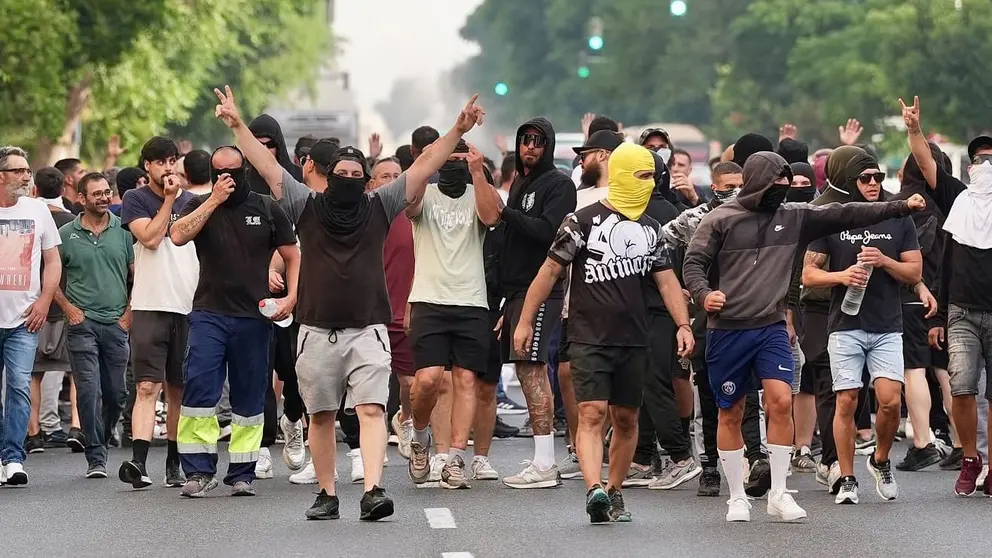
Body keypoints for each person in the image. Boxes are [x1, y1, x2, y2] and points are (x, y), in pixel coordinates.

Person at [215, 85, 484, 519]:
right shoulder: (306, 205)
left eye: (356, 174)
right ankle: (327, 493)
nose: (349, 179)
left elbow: (425, 165)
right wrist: (236, 123)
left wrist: (457, 128)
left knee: (372, 409)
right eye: (341, 173)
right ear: (328, 176)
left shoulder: (380, 204)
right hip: (316, 330)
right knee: (320, 416)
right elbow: (267, 165)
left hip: (367, 329)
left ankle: (374, 490)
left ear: (364, 180)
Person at [683, 150, 927, 522]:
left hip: (771, 326)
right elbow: (693, 263)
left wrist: (901, 208)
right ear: (755, 183)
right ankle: (737, 496)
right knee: (730, 411)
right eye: (774, 186)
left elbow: (847, 213)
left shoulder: (795, 217)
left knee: (780, 401)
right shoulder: (720, 219)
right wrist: (704, 295)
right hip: (727, 329)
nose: (780, 193)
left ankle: (779, 493)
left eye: (785, 186)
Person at [513, 142, 693, 523]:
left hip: (634, 339)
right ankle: (594, 488)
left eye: (652, 177)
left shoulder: (650, 229)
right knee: (592, 412)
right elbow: (548, 272)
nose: (647, 183)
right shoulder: (580, 222)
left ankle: (614, 491)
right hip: (587, 336)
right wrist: (525, 320)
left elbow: (667, 283)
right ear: (624, 174)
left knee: (627, 419)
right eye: (641, 175)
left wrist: (683, 324)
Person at [169, 142, 300, 499]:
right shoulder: (199, 204)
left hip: (254, 317)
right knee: (199, 388)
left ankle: (242, 472)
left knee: (249, 395)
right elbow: (178, 235)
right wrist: (214, 200)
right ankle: (198, 470)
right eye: (219, 172)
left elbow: (292, 252)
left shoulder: (266, 207)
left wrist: (291, 295)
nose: (227, 178)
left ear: (245, 172)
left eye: (233, 172)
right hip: (209, 313)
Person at [802, 148, 932, 505]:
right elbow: (808, 274)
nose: (873, 184)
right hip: (845, 323)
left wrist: (885, 260)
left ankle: (880, 460)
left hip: (887, 323)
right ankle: (846, 477)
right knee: (847, 399)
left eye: (878, 177)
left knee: (890, 402)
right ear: (849, 181)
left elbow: (915, 272)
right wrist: (842, 275)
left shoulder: (897, 215)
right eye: (865, 178)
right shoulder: (833, 216)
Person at [898, 96, 992, 496]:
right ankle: (971, 458)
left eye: (991, 158)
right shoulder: (959, 199)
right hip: (961, 314)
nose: (985, 165)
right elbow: (925, 165)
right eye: (979, 160)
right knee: (963, 387)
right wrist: (914, 130)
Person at [407, 141, 502, 490]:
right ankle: (420, 437)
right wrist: (428, 162)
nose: (453, 165)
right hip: (430, 300)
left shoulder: (479, 190)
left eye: (458, 159)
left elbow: (492, 217)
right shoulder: (426, 195)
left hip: (471, 301)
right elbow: (408, 202)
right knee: (429, 380)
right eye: (447, 159)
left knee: (466, 380)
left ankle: (456, 459)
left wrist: (477, 171)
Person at [499, 117, 577, 488]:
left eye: (537, 141)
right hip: (515, 290)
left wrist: (506, 214)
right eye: (525, 140)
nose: (530, 147)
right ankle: (543, 459)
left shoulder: (559, 183)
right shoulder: (520, 181)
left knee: (533, 368)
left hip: (543, 288)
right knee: (523, 368)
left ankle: (545, 463)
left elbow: (548, 232)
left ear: (548, 146)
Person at [118, 136, 199, 489]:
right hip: (150, 304)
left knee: (178, 388)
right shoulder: (136, 199)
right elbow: (150, 239)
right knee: (147, 385)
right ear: (147, 166)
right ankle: (138, 461)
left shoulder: (195, 202)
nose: (168, 167)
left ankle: (174, 460)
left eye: (172, 160)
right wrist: (167, 201)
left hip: (187, 304)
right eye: (160, 161)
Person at [554, 129, 625, 479]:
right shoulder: (576, 198)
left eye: (588, 154)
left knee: (614, 388)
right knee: (568, 374)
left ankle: (608, 439)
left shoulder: (628, 197)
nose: (581, 161)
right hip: (575, 303)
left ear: (606, 155)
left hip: (621, 306)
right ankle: (576, 443)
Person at [54, 172, 133, 480]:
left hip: (116, 323)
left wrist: (129, 314)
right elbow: (50, 277)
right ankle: (96, 456)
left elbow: (136, 275)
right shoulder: (66, 234)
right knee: (88, 390)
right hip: (81, 324)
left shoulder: (123, 232)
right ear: (81, 199)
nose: (103, 197)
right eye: (96, 193)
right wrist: (68, 308)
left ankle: (102, 431)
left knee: (116, 393)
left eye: (106, 192)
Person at [0, 147, 62, 486]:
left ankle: (13, 457)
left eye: (28, 170)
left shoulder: (38, 210)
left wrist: (44, 301)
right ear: (1, 176)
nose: (27, 176)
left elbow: (53, 261)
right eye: (19, 170)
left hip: (25, 320)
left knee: (19, 387)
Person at [26, 167, 77, 453]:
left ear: (35, 189)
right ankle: (77, 428)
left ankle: (33, 432)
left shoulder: (29, 219)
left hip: (34, 305)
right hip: (69, 306)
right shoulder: (73, 223)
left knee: (33, 373)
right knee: (76, 372)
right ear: (63, 188)